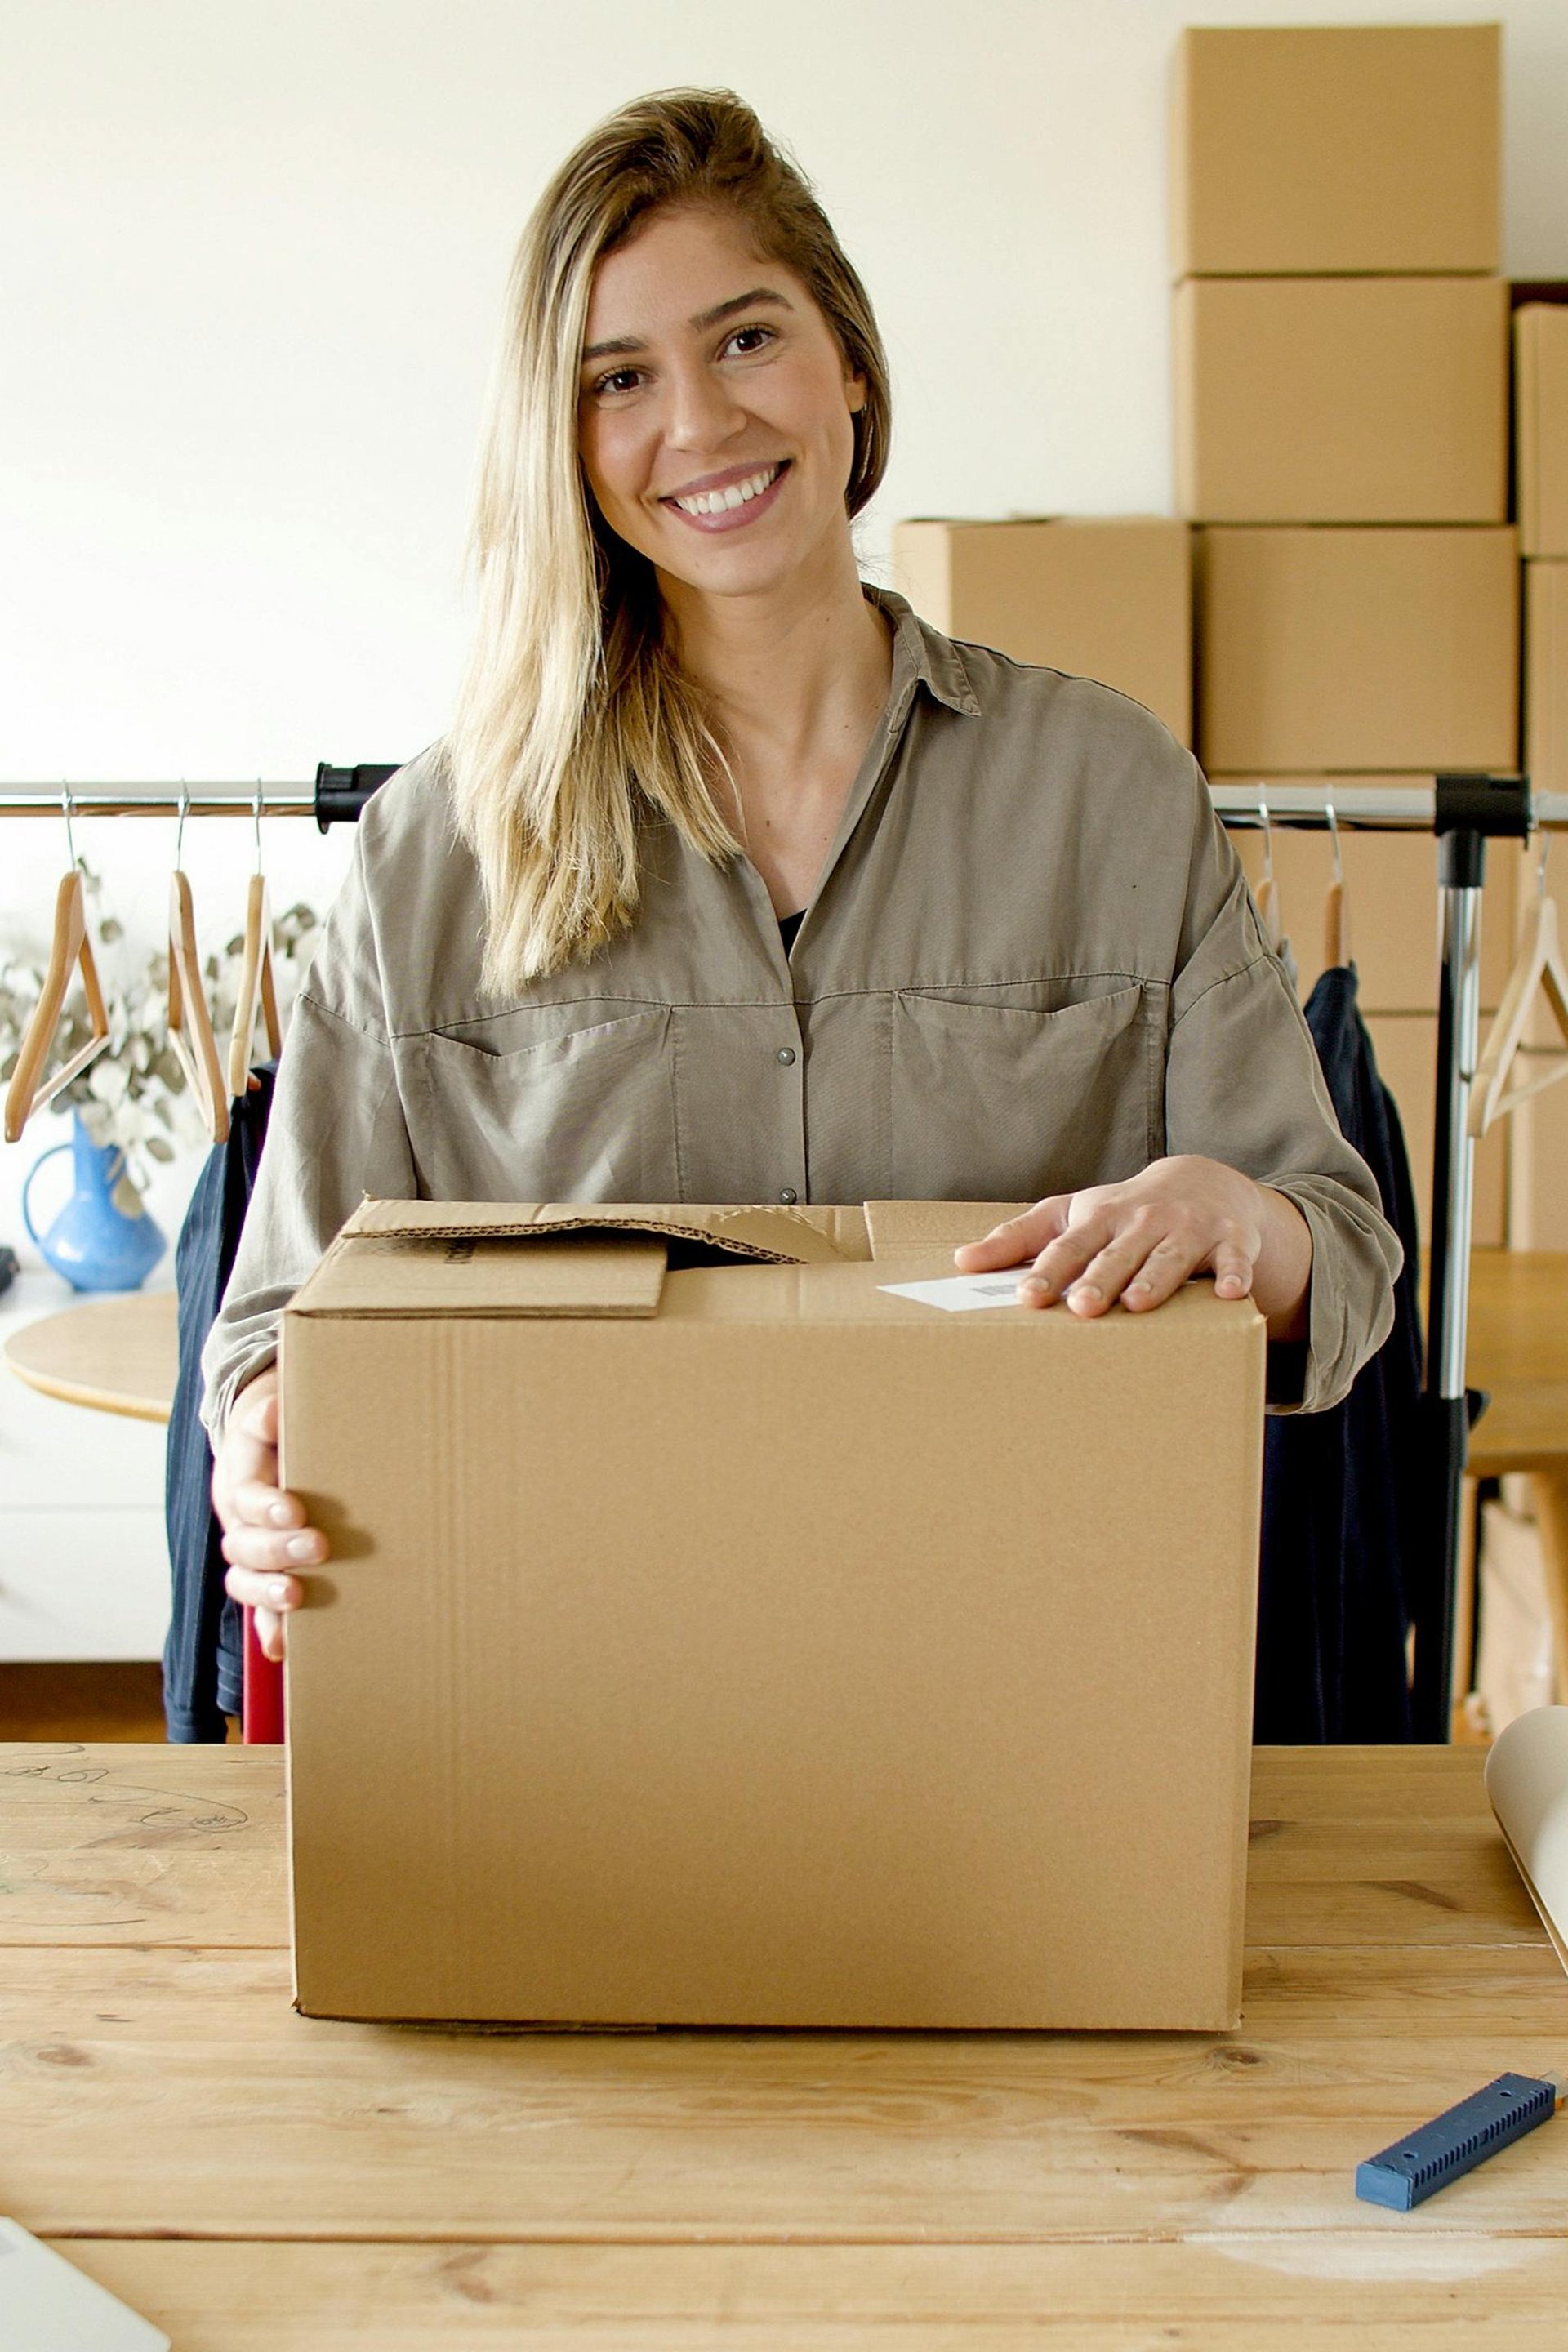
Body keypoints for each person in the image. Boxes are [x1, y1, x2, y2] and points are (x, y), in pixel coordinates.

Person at [207, 88, 1400, 1667]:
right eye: (619, 379)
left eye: (747, 339)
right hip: (575, 1694)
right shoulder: (437, 853)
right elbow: (275, 1327)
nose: (697, 425)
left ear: (849, 357)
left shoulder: (1105, 791)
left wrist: (1241, 1219)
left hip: (1024, 1680)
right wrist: (267, 1431)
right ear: (563, 444)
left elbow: (1349, 1265)